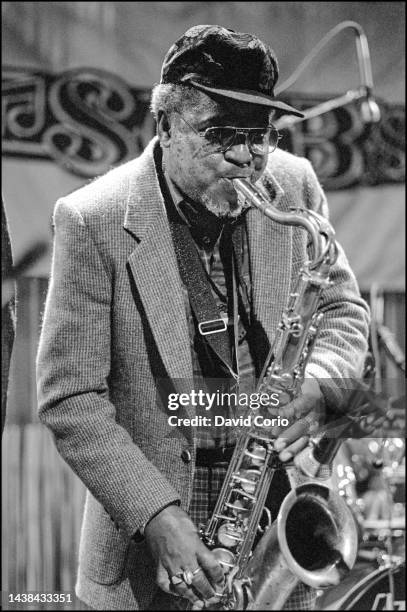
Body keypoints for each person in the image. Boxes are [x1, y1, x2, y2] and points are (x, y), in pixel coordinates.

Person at [36, 25, 370, 611]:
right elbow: (72, 398)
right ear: (165, 125)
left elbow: (343, 311)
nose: (247, 157)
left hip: (267, 514)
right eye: (221, 134)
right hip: (148, 550)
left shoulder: (292, 185)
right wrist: (157, 515)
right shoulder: (92, 220)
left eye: (259, 135)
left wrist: (318, 385)